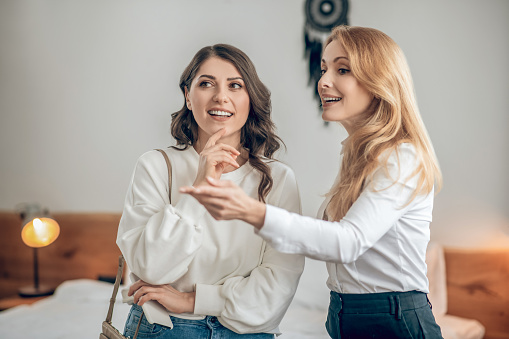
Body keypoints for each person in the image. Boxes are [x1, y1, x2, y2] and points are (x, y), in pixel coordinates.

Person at [181, 26, 444, 339]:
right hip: (347, 315)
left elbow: (347, 242)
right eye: (324, 68)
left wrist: (251, 211)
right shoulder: (358, 156)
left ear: (379, 81)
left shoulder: (402, 156)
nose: (323, 81)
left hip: (393, 319)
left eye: (342, 69)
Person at [116, 44, 304, 338]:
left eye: (235, 85)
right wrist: (201, 186)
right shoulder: (155, 166)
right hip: (163, 329)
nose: (220, 96)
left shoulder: (278, 179)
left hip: (246, 332)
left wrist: (192, 300)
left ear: (250, 100)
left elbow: (278, 285)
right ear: (189, 97)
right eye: (206, 83)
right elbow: (151, 268)